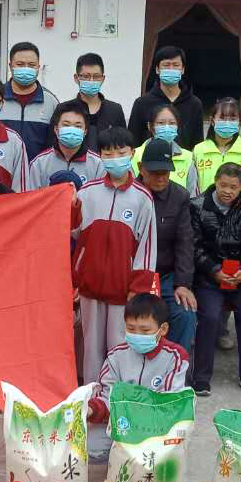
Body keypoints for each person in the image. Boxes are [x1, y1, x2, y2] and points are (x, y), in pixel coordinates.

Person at [72, 127, 157, 387]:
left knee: (119, 346)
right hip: (89, 287)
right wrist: (71, 208)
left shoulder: (142, 197)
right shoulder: (87, 192)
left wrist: (138, 289)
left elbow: (147, 246)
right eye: (108, 153)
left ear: (132, 153)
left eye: (121, 152)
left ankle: (117, 395)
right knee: (90, 346)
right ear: (100, 156)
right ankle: (90, 396)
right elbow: (72, 232)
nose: (114, 158)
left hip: (123, 290)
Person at [189, 162, 241, 398]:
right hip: (208, 277)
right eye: (223, 185)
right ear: (215, 181)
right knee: (209, 316)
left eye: (234, 187)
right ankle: (201, 377)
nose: (227, 191)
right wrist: (214, 270)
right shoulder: (197, 206)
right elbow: (194, 246)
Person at [87, 294, 189, 458]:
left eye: (145, 330)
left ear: (163, 329)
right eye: (131, 329)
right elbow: (106, 395)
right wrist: (91, 409)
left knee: (156, 456)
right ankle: (120, 459)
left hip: (156, 428)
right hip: (122, 423)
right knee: (89, 445)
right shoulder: (116, 355)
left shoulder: (175, 356)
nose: (137, 335)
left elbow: (169, 402)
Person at [136, 138, 196, 356]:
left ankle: (175, 365)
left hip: (166, 275)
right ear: (141, 168)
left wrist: (183, 284)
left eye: (166, 172)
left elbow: (185, 242)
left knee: (185, 313)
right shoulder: (129, 194)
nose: (161, 178)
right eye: (155, 172)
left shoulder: (179, 196)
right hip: (134, 276)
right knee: (136, 316)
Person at [128, 46, 204, 151]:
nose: (171, 69)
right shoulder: (141, 103)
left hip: (184, 160)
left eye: (176, 65)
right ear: (157, 69)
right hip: (150, 160)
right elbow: (133, 142)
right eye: (166, 65)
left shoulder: (194, 103)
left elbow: (198, 143)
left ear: (182, 70)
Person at [0, 41, 58, 162]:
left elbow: (55, 142)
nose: (26, 69)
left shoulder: (51, 101)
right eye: (20, 64)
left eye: (31, 65)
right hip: (2, 168)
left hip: (38, 170)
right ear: (10, 66)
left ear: (38, 67)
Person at [54, 52, 125, 152]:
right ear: (76, 78)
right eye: (86, 76)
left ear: (103, 79)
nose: (91, 80)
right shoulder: (63, 109)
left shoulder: (115, 110)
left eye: (96, 76)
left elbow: (123, 144)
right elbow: (52, 144)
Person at [29, 100, 104, 189]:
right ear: (56, 130)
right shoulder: (39, 163)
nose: (72, 130)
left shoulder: (98, 164)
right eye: (66, 125)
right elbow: (32, 195)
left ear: (85, 132)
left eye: (78, 126)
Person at [192, 95, 241, 196]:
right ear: (212, 121)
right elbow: (193, 187)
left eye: (232, 119)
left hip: (239, 206)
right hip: (205, 205)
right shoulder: (199, 150)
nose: (227, 123)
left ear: (239, 122)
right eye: (222, 118)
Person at [133, 102, 199, 195]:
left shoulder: (188, 157)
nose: (167, 127)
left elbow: (192, 194)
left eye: (172, 123)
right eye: (161, 123)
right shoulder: (135, 155)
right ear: (150, 126)